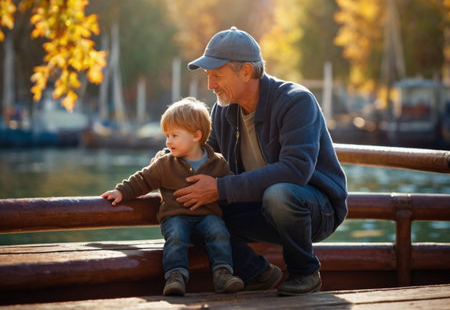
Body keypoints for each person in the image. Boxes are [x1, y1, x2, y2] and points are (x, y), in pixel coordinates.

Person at [174, 27, 348, 295]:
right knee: (194, 212)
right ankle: (258, 273)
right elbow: (206, 156)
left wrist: (220, 189)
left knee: (278, 194)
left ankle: (305, 272)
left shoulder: (296, 101)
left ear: (245, 71)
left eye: (216, 76)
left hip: (315, 210)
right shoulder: (223, 110)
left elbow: (295, 171)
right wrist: (167, 161)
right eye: (208, 77)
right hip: (260, 206)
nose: (210, 85)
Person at [102, 97, 244, 296]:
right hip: (176, 215)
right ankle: (175, 276)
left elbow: (228, 185)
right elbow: (143, 179)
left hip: (207, 215)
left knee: (218, 231)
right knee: (176, 235)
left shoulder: (217, 163)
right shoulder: (165, 163)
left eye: (174, 135)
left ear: (196, 135)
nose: (168, 141)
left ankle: (223, 274)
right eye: (167, 135)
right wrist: (121, 191)